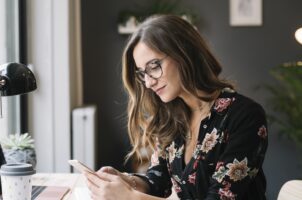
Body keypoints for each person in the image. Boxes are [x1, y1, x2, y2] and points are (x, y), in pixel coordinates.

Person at [84, 14, 268, 200]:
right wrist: (126, 180)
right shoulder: (169, 117)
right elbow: (158, 183)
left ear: (184, 53)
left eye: (154, 66)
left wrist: (131, 197)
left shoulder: (245, 116)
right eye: (142, 73)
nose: (148, 83)